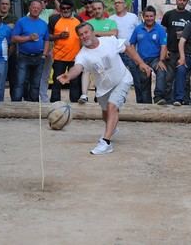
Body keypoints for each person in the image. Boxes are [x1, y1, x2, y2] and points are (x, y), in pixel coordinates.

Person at [57, 22, 151, 155]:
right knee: (106, 112)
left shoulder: (109, 41)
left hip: (122, 79)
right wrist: (69, 75)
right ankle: (112, 127)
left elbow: (127, 47)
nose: (84, 36)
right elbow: (77, 68)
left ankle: (105, 142)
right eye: (81, 35)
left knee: (113, 106)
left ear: (93, 32)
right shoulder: (83, 54)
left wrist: (140, 63)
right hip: (103, 88)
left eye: (86, 32)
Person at [79, 0, 118, 103]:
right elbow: (83, 37)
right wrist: (104, 34)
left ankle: (100, 96)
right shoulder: (88, 23)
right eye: (94, 9)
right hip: (91, 52)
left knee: (103, 75)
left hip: (105, 54)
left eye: (99, 8)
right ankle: (84, 95)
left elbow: (114, 33)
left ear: (103, 9)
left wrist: (96, 33)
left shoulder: (111, 22)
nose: (97, 11)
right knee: (86, 70)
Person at [11, 0, 49, 102]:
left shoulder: (44, 24)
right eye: (33, 7)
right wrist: (28, 38)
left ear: (41, 9)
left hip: (39, 56)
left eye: (38, 8)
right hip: (24, 56)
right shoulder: (21, 21)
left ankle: (33, 106)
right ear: (29, 8)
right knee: (20, 82)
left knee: (36, 83)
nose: (35, 9)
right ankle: (16, 105)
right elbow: (14, 38)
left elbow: (46, 40)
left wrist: (44, 54)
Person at [161, 0, 191, 102]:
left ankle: (184, 101)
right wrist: (164, 49)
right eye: (179, 0)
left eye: (184, 0)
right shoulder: (168, 15)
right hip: (171, 51)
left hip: (185, 53)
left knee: (185, 78)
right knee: (169, 78)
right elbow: (163, 34)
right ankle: (168, 101)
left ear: (187, 2)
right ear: (176, 0)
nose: (181, 2)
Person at [129, 6, 167, 104]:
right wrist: (139, 62)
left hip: (156, 58)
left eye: (151, 16)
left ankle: (158, 97)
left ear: (155, 16)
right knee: (144, 79)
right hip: (142, 59)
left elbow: (163, 46)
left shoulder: (160, 29)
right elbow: (131, 45)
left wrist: (161, 60)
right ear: (143, 17)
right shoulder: (138, 29)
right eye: (147, 16)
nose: (149, 18)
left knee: (161, 70)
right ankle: (147, 104)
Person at [48, 0, 82, 103]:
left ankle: (75, 103)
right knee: (57, 81)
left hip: (75, 56)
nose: (65, 10)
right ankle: (54, 102)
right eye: (63, 8)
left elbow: (84, 33)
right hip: (59, 56)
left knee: (75, 81)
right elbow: (47, 36)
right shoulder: (54, 19)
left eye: (68, 8)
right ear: (60, 9)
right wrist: (58, 36)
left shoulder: (78, 18)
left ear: (72, 9)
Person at [109, 0, 142, 103]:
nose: (117, 4)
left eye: (119, 2)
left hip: (131, 52)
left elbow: (139, 32)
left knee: (137, 78)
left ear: (125, 5)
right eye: (115, 3)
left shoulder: (133, 17)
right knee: (118, 79)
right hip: (117, 52)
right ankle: (118, 102)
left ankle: (141, 102)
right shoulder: (111, 18)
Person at [33, 0, 60, 103]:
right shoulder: (30, 13)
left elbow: (60, 10)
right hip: (35, 47)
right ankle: (33, 97)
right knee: (34, 74)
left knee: (45, 74)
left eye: (46, 1)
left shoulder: (48, 12)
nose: (46, 3)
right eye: (44, 1)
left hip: (48, 46)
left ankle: (43, 97)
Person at [0, 0, 19, 100]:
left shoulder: (14, 19)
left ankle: (15, 102)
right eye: (2, 3)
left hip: (11, 53)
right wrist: (8, 27)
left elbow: (15, 34)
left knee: (13, 79)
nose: (4, 6)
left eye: (6, 4)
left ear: (9, 6)